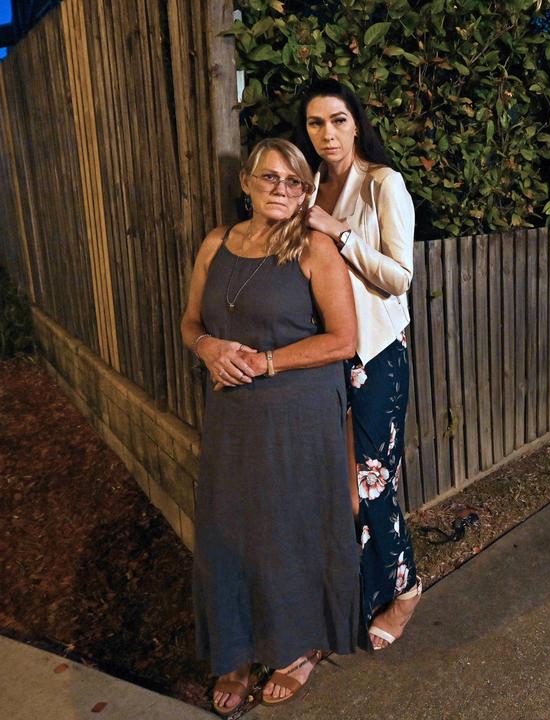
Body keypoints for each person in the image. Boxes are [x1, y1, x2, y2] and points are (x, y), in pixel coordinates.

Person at [180, 138, 359, 714]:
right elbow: (188, 322)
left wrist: (267, 362)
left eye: (295, 182)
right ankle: (233, 650)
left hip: (298, 412)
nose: (282, 191)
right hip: (233, 413)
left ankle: (296, 648)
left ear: (306, 192)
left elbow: (343, 340)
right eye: (270, 179)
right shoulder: (217, 243)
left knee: (289, 532)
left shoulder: (313, 248)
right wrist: (206, 346)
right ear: (247, 184)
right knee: (227, 529)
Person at [294, 79, 422, 651]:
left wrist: (339, 233)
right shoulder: (312, 186)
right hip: (327, 356)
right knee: (341, 490)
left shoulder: (381, 184)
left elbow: (400, 278)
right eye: (317, 123)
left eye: (338, 120)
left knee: (373, 485)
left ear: (356, 122)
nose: (328, 133)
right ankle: (365, 593)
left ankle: (407, 589)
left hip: (376, 354)